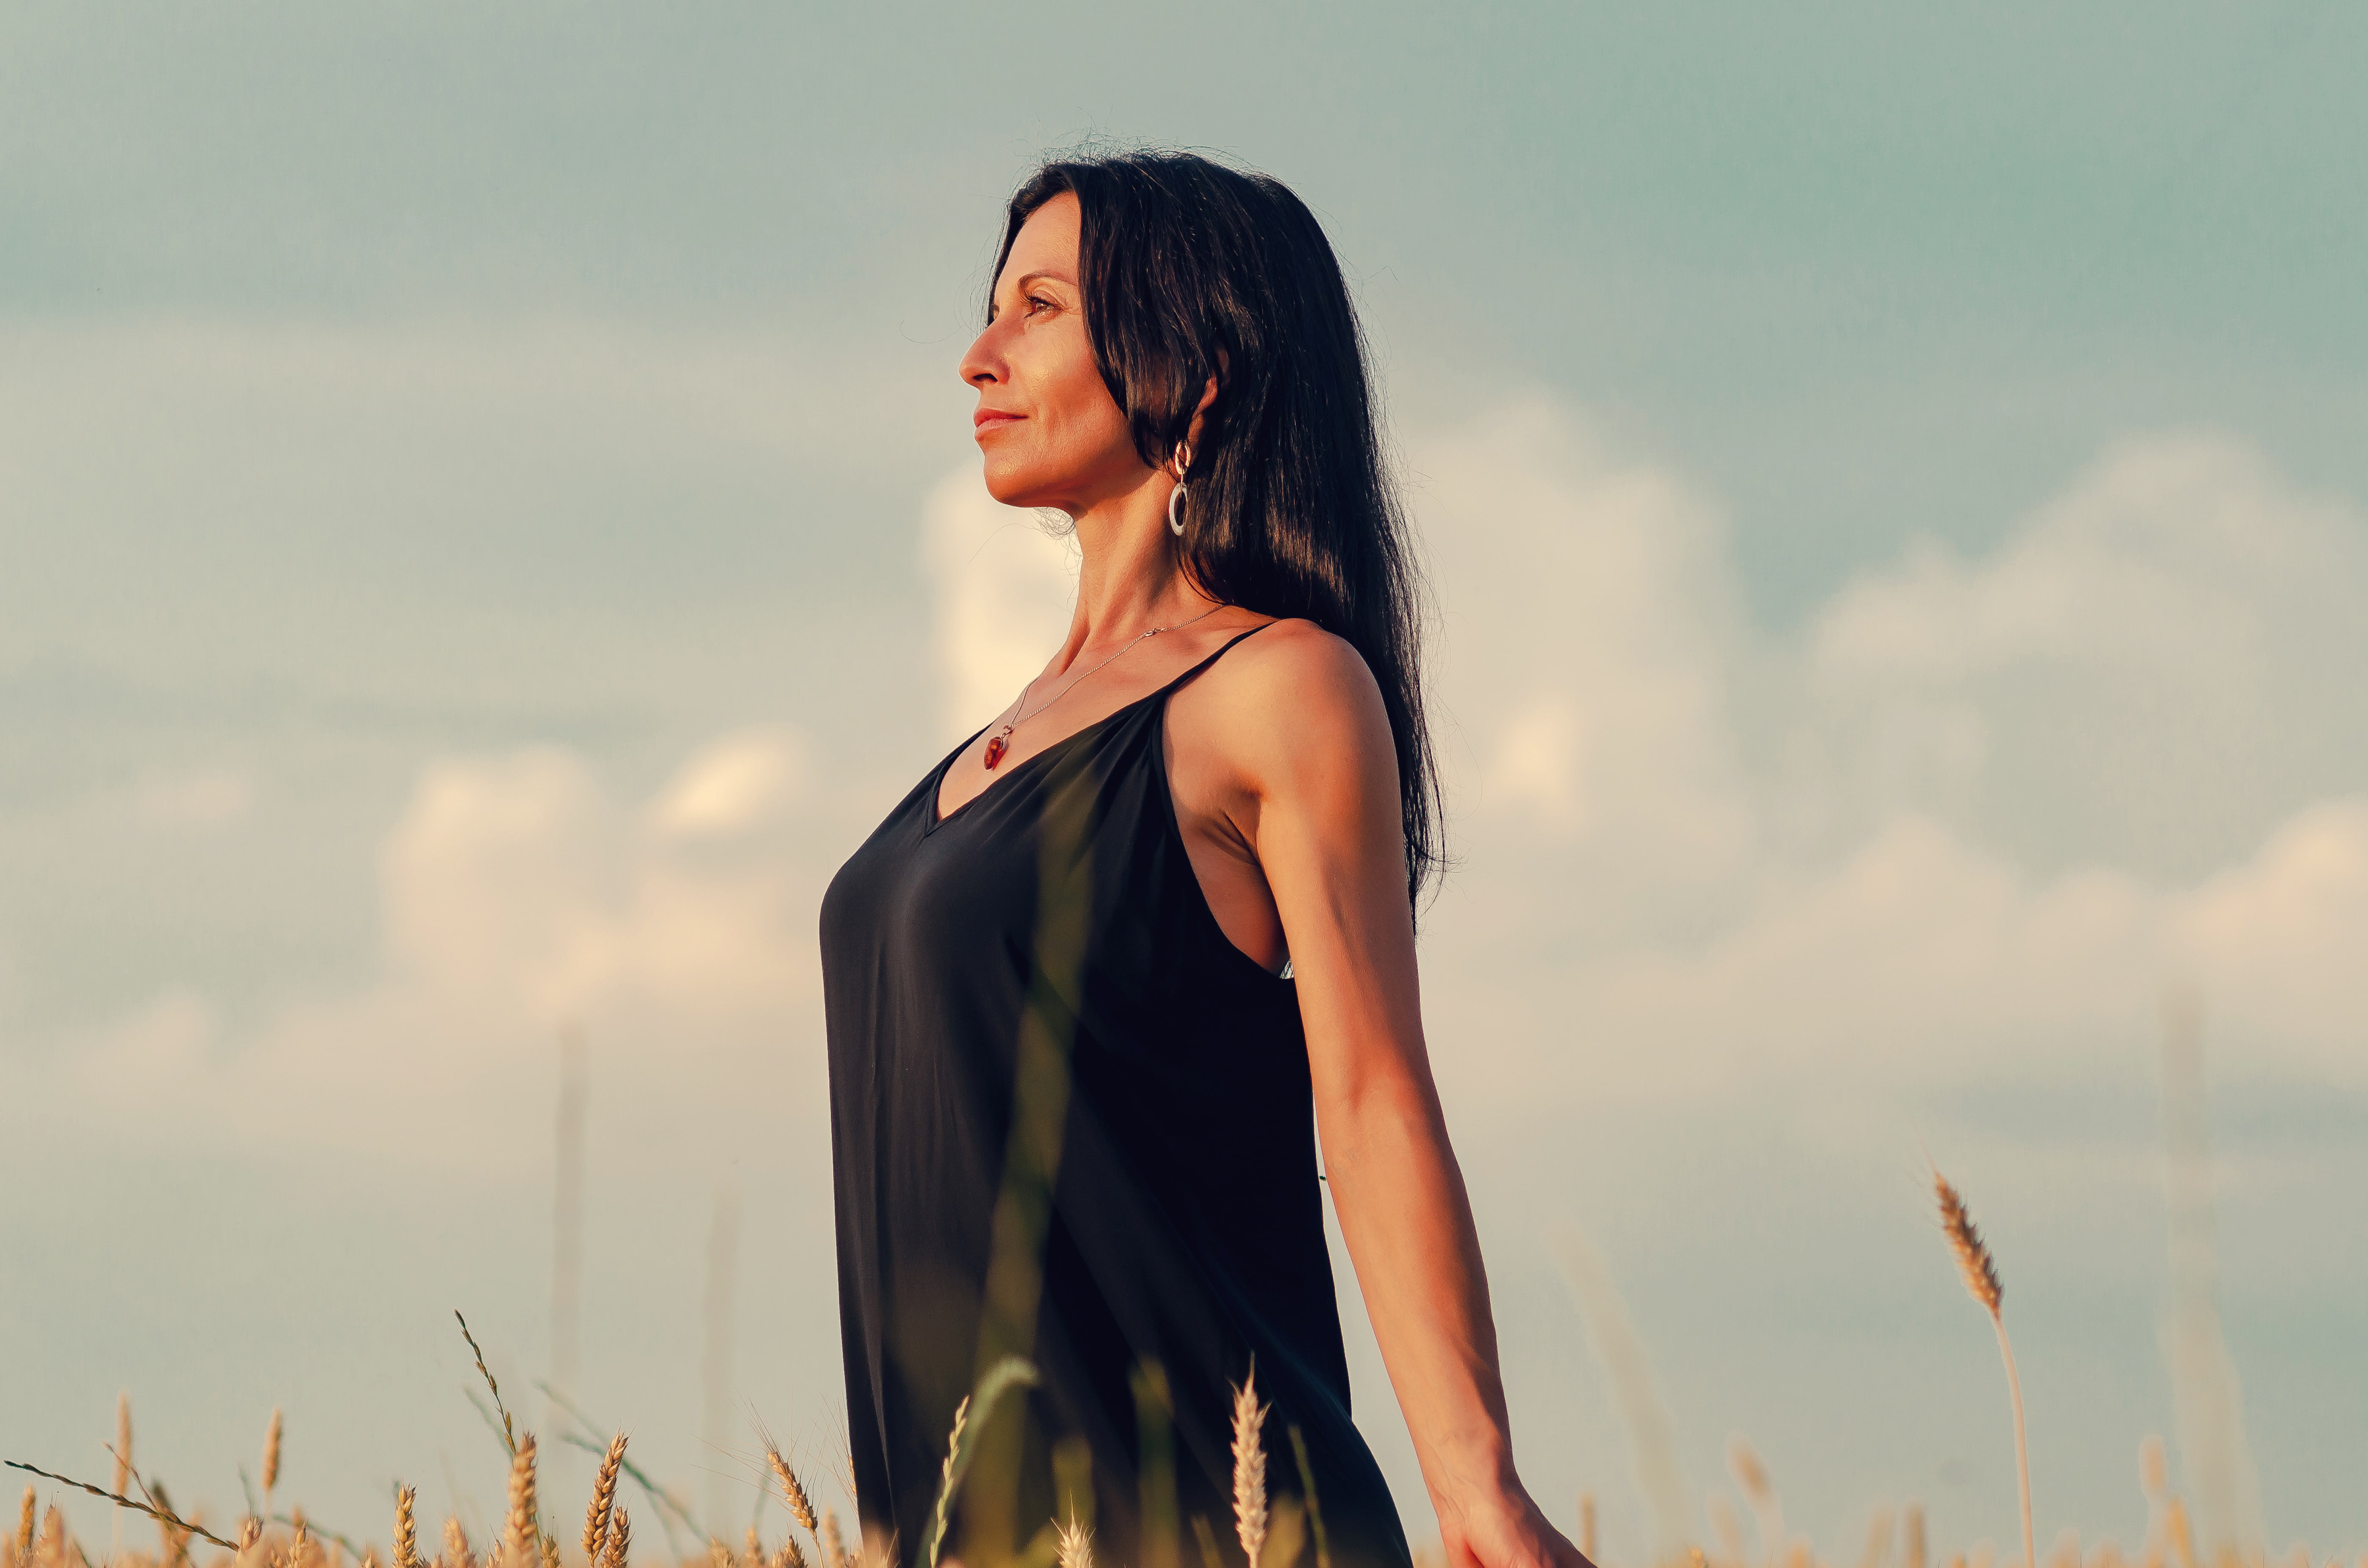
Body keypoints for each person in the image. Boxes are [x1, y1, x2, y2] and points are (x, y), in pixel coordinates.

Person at [821, 151, 1586, 1568]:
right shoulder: (1004, 741)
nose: (979, 355)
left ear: (1197, 372)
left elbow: (1371, 1092)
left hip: (1204, 1519)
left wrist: (1477, 1485)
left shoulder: (1277, 690)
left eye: (1041, 309)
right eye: (992, 307)